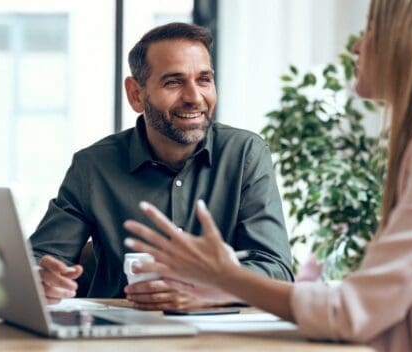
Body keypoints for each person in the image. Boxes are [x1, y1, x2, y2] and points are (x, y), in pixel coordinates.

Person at [123, 0, 412, 350]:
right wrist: (228, 286)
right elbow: (375, 302)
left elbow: (352, 314)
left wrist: (225, 276)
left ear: (409, 39)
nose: (356, 46)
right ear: (136, 94)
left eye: (370, 28)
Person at [30, 22, 293, 310]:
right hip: (119, 330)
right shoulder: (93, 166)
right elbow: (39, 259)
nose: (194, 97)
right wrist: (43, 278)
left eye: (204, 80)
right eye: (174, 82)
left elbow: (276, 270)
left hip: (216, 334)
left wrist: (209, 290)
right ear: (136, 94)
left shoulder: (245, 154)